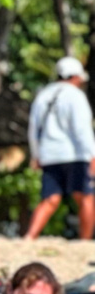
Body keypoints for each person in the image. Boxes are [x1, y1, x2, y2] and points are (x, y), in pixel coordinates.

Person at [24, 56, 95, 240]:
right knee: (86, 197)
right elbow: (81, 129)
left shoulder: (43, 95)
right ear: (74, 77)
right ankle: (85, 241)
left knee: (50, 199)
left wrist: (36, 154)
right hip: (75, 155)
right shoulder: (75, 96)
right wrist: (92, 154)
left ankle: (29, 237)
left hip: (49, 155)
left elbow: (34, 128)